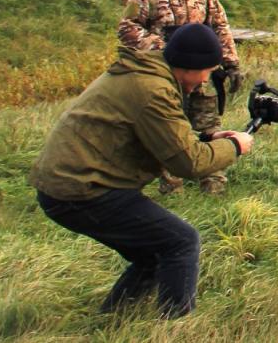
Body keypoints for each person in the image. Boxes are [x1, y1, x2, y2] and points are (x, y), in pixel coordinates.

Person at [28, 24, 254, 319]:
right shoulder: (152, 90)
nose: (206, 79)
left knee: (154, 255)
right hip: (81, 190)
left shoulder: (147, 73)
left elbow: (159, 137)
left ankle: (112, 320)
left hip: (69, 183)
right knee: (180, 242)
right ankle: (175, 328)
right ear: (191, 66)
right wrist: (235, 147)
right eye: (208, 71)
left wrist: (207, 141)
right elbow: (189, 164)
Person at [119, 0, 243, 194]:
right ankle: (171, 184)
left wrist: (231, 63)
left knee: (209, 126)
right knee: (167, 130)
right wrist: (165, 48)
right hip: (166, 75)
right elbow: (127, 29)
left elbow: (220, 26)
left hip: (202, 75)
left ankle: (213, 181)